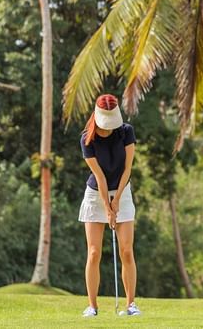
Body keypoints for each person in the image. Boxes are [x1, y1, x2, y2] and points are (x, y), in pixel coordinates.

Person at [77, 94, 140, 317]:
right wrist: (107, 206)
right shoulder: (87, 139)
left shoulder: (126, 132)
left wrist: (117, 199)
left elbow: (127, 169)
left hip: (123, 190)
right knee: (93, 253)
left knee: (127, 251)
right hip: (96, 194)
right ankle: (92, 306)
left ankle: (131, 305)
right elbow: (100, 178)